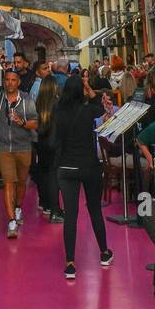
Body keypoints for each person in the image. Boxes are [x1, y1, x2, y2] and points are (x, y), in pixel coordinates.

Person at [52, 73, 111, 280]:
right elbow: (102, 107)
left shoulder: (57, 111)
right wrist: (89, 88)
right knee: (94, 210)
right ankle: (104, 252)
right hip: (89, 166)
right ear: (81, 92)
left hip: (66, 167)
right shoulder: (88, 111)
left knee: (70, 215)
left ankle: (70, 262)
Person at [0, 69, 38, 238]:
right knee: (9, 182)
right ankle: (11, 221)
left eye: (13, 80)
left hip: (24, 146)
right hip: (5, 148)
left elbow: (35, 123)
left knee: (21, 182)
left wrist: (22, 122)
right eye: (7, 80)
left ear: (18, 82)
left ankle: (18, 208)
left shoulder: (26, 99)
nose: (10, 83)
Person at [31, 74, 61, 218]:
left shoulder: (39, 103)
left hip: (41, 142)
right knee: (53, 175)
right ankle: (54, 206)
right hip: (54, 142)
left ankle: (44, 202)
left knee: (43, 172)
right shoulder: (56, 103)